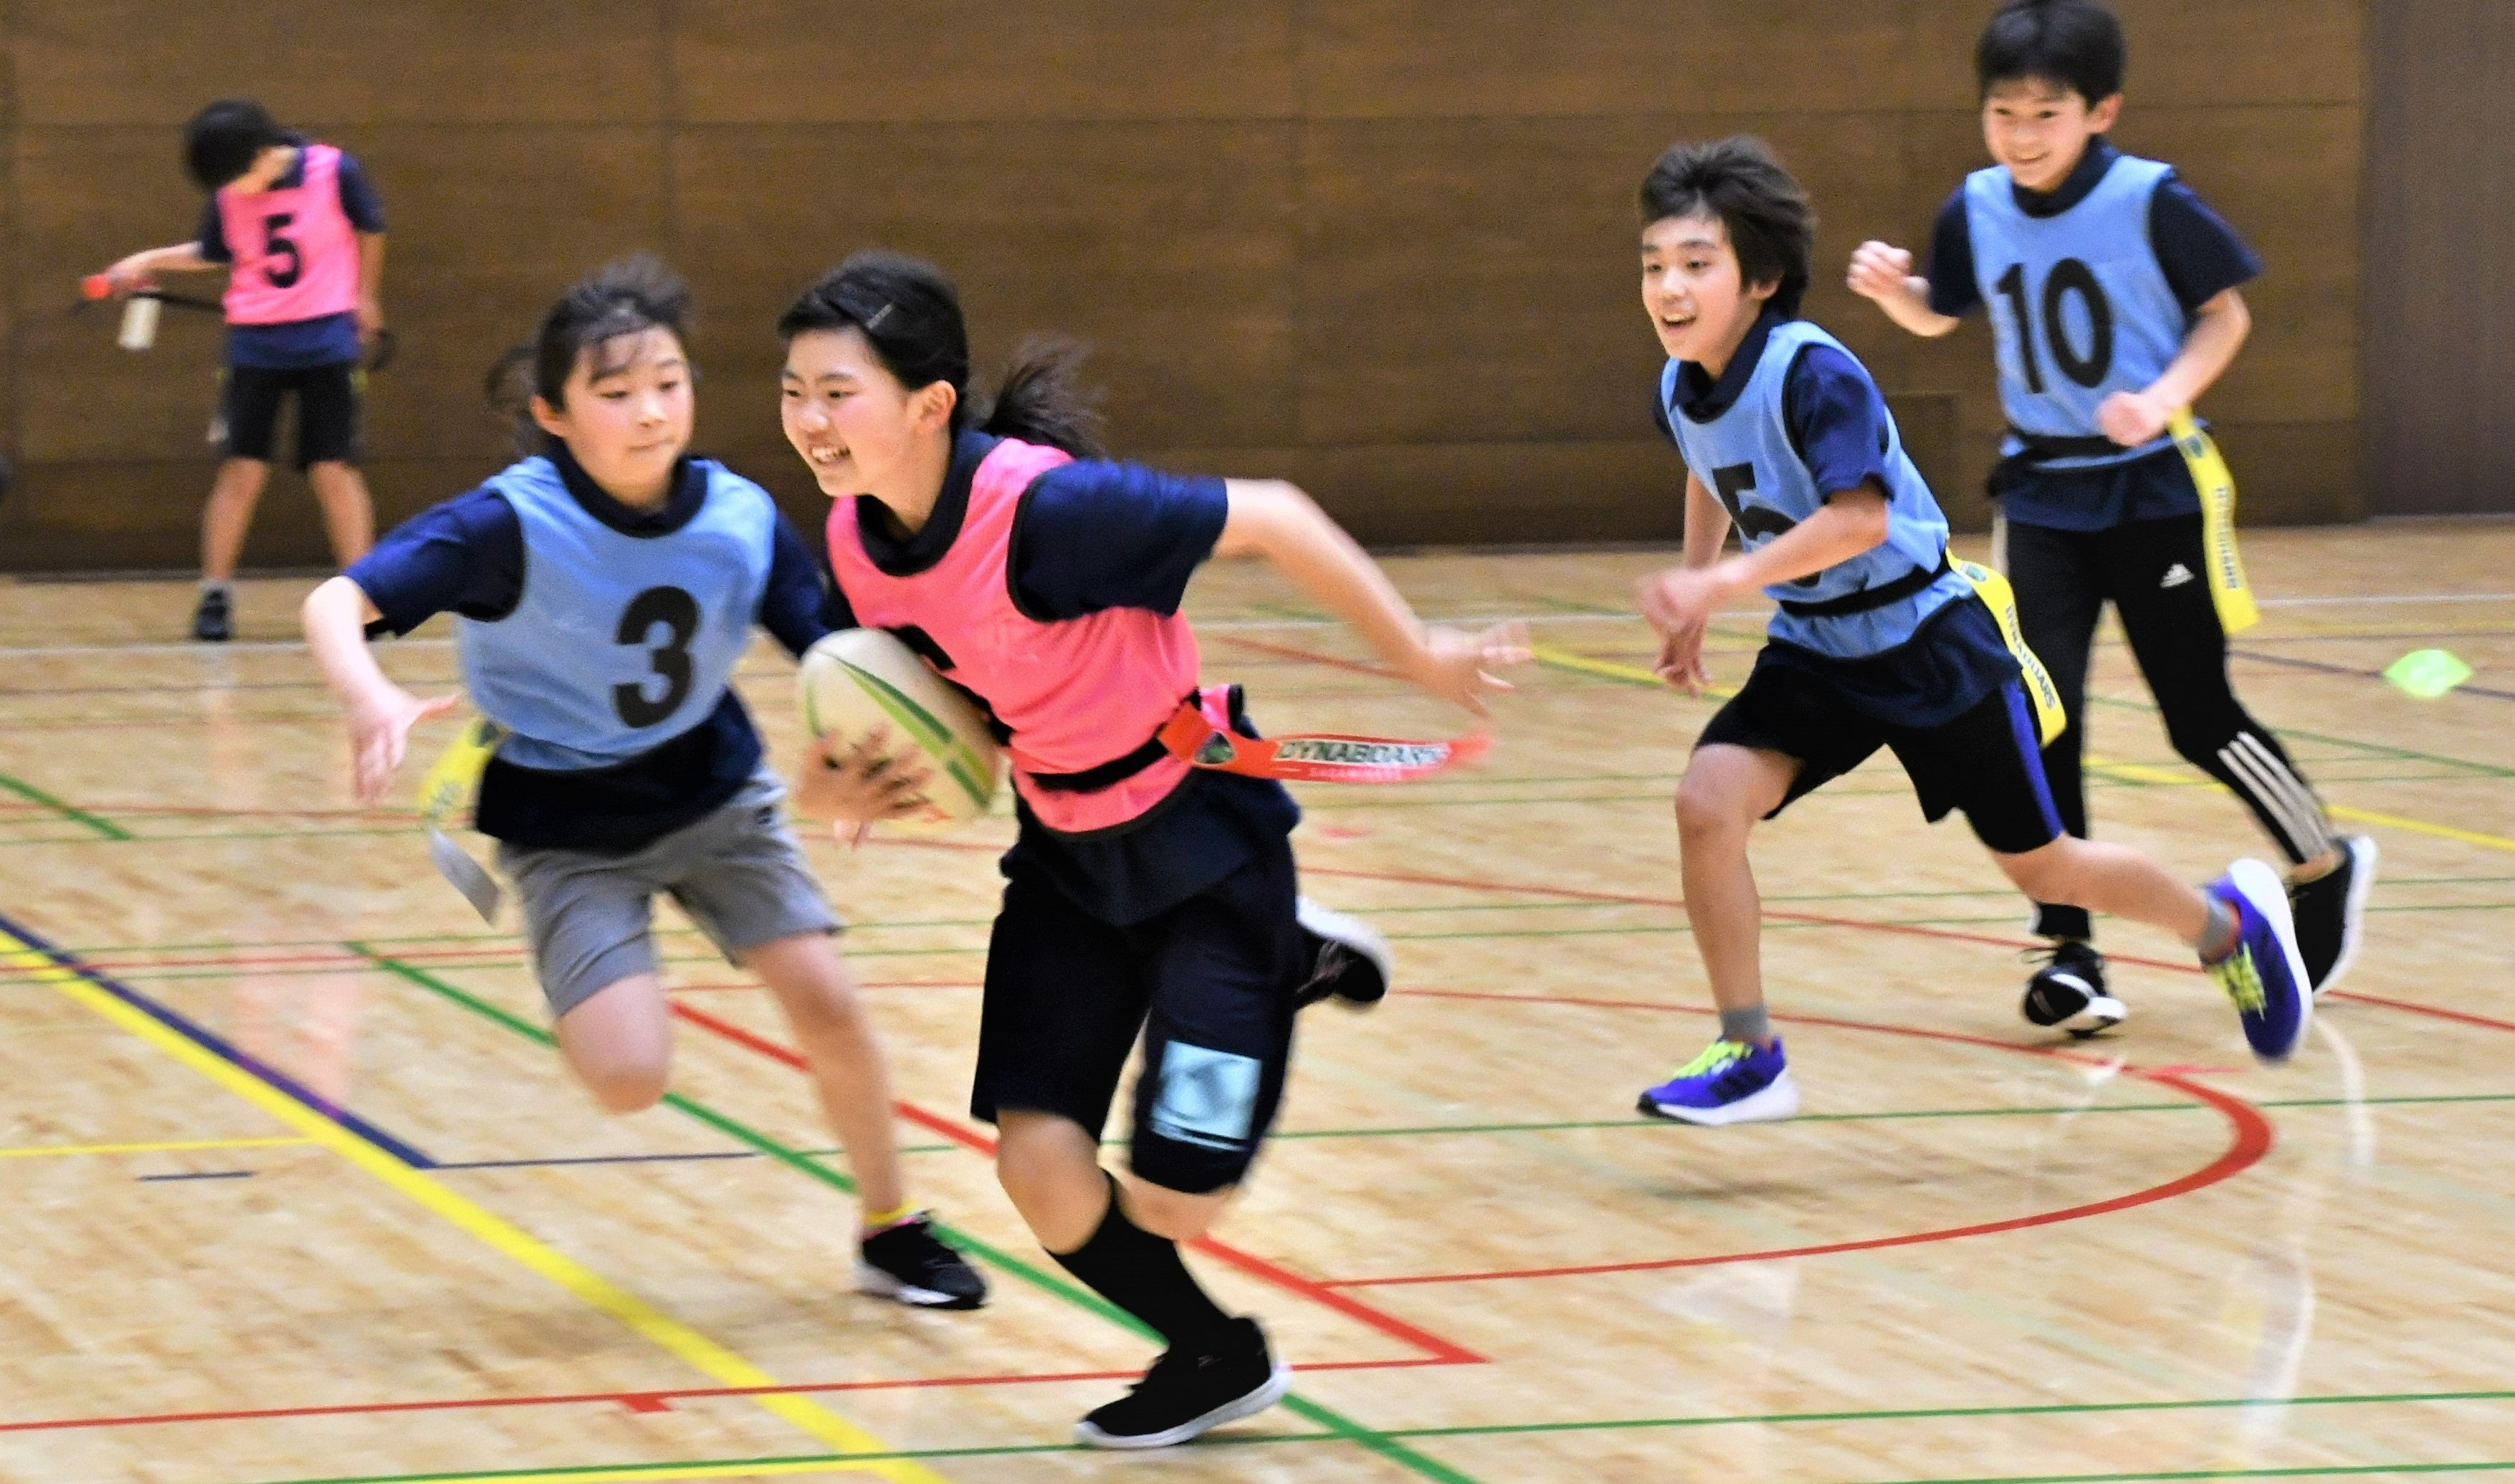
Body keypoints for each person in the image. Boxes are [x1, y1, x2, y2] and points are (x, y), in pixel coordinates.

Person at [776, 251, 1524, 1448]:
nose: (810, 421)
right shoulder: (858, 544)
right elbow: (953, 697)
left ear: (928, 404)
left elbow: (1273, 514)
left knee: (1178, 1193)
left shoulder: (1055, 514)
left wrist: (1423, 651)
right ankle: (1212, 1352)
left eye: (836, 392)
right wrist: (856, 779)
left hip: (1205, 851)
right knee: (1037, 1164)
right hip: (1065, 857)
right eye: (794, 392)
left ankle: (1282, 953)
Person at [300, 256, 986, 1309]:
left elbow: (839, 657)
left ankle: (890, 1224)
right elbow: (336, 603)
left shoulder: (739, 514)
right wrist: (370, 696)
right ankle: (591, 960)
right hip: (567, 825)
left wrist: (856, 764)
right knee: (627, 1078)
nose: (650, 410)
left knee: (829, 1001)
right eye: (614, 394)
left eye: (667, 382)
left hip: (716, 794)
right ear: (555, 413)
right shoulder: (503, 524)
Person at [1628, 136, 2309, 1128]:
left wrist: (1726, 579)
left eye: (1697, 263)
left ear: (1762, 277)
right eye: (1654, 265)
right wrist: (1697, 585)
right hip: (1818, 648)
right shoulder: (1680, 383)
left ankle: (2227, 927)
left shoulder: (1814, 372)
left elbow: (1858, 518)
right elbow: (1705, 461)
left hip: (1928, 639)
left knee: (2045, 867)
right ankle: (1748, 1050)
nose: (1669, 286)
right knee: (1705, 804)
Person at [1846, 0, 2374, 1034]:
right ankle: (2071, 949)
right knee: (2045, 718)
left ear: (2102, 112)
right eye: (2004, 113)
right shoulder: (1975, 206)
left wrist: (2164, 397)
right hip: (2042, 496)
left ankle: (2321, 862)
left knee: (2197, 716)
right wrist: (1894, 294)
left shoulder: (2149, 201)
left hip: (2153, 492)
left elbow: (2225, 316)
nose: (2022, 134)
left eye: (2047, 113)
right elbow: (1943, 313)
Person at [101, 98, 386, 642]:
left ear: (264, 154)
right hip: (254, 347)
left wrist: (365, 297)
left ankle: (364, 593)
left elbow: (371, 226)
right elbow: (214, 251)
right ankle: (215, 593)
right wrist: (147, 259)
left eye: (240, 179)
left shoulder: (333, 170)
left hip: (327, 342)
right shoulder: (229, 189)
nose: (235, 191)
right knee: (242, 470)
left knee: (333, 469)